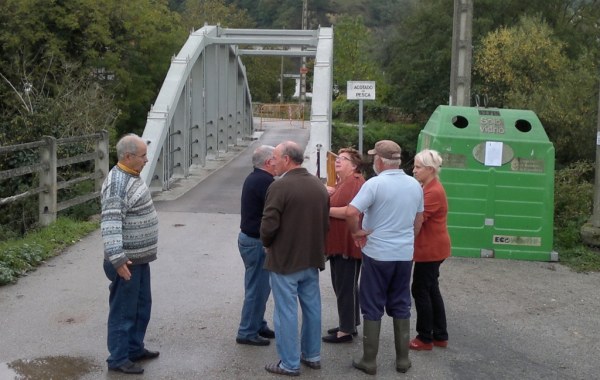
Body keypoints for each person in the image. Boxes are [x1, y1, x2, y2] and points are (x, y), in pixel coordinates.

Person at [346, 140, 424, 375]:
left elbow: (351, 211)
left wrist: (356, 232)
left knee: (372, 304)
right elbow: (418, 220)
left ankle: (369, 361)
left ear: (379, 161)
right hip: (403, 254)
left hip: (378, 253)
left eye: (374, 158)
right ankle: (402, 360)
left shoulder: (375, 184)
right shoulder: (414, 184)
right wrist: (408, 240)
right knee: (401, 303)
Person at [260, 141, 330, 376]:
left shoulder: (280, 187)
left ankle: (289, 363)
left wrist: (268, 245)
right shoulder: (318, 186)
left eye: (276, 158)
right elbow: (325, 223)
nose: (273, 162)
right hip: (311, 258)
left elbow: (268, 225)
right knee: (312, 308)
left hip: (285, 260)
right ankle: (312, 354)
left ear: (287, 160)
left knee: (285, 312)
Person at [101, 134, 160, 375]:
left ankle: (134, 348)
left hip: (139, 260)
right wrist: (117, 258)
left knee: (141, 306)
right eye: (143, 155)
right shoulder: (117, 183)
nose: (147, 160)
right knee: (124, 311)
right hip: (126, 262)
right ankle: (118, 358)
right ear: (128, 156)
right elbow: (111, 222)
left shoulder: (131, 175)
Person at [409, 149, 451, 350]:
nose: (414, 170)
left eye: (418, 167)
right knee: (431, 289)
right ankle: (440, 334)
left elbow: (418, 218)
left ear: (430, 169)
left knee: (420, 289)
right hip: (434, 248)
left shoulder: (432, 191)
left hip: (431, 249)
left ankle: (425, 337)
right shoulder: (429, 186)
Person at [322, 148, 365, 344]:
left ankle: (346, 330)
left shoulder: (354, 182)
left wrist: (324, 209)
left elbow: (350, 211)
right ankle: (349, 324)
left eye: (344, 159)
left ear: (354, 165)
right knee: (345, 286)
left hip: (346, 244)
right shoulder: (344, 182)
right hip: (340, 243)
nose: (338, 161)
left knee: (344, 286)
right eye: (337, 158)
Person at [236, 145, 276, 346]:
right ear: (269, 162)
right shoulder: (265, 182)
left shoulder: (256, 178)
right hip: (256, 242)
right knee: (257, 288)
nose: (279, 162)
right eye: (276, 158)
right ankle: (247, 332)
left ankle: (258, 324)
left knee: (258, 287)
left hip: (249, 239)